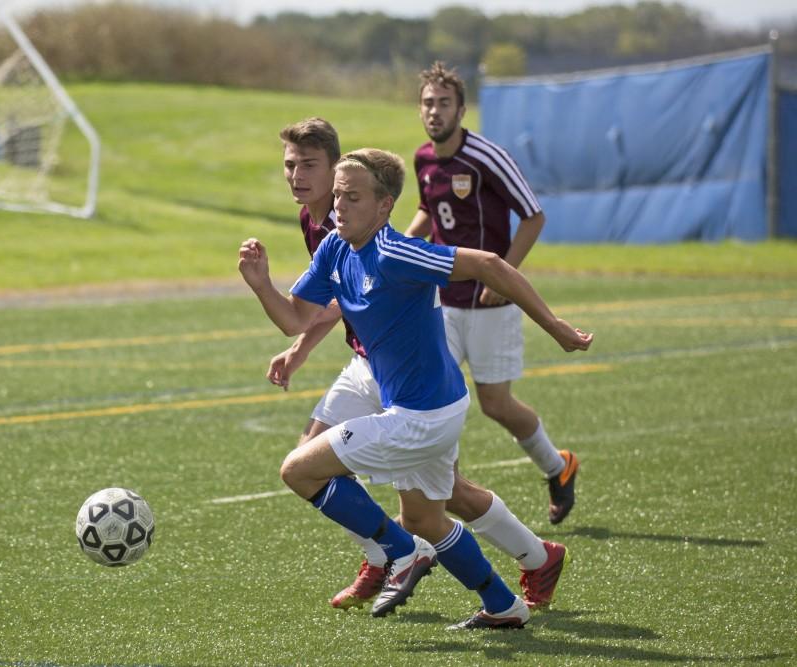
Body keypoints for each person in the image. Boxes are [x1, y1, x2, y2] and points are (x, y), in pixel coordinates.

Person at [239, 148, 593, 629]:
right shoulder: (335, 248)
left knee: (298, 471)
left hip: (420, 417)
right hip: (424, 408)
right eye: (338, 195)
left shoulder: (396, 251)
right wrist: (261, 284)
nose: (340, 206)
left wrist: (555, 328)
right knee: (428, 516)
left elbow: (490, 263)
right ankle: (504, 604)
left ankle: (400, 554)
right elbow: (295, 319)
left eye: (354, 197)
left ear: (385, 207)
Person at [405, 61, 580, 526]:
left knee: (495, 405)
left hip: (490, 304)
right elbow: (429, 211)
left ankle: (558, 468)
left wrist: (503, 281)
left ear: (462, 109)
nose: (435, 111)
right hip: (443, 300)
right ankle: (441, 493)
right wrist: (400, 247)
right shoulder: (423, 158)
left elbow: (533, 216)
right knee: (431, 395)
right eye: (428, 103)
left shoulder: (486, 157)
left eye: (444, 103)